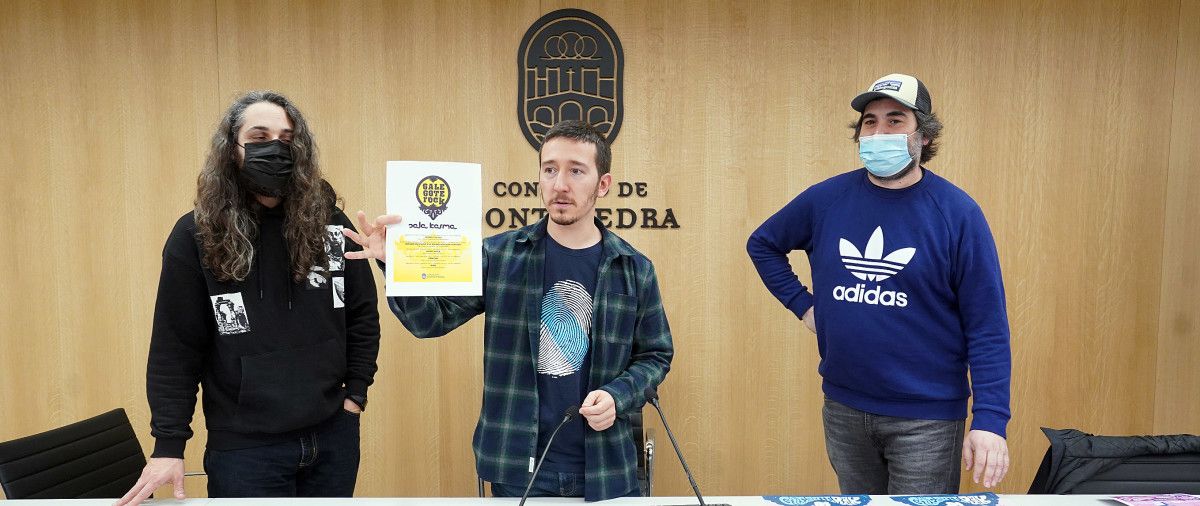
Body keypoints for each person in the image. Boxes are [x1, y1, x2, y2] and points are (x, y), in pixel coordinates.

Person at [344, 120, 672, 501]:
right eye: (549, 169)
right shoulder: (497, 257)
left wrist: (618, 396)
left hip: (606, 468)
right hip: (519, 469)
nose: (559, 184)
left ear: (603, 184)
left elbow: (655, 354)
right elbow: (429, 321)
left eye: (576, 171)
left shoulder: (634, 268)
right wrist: (394, 264)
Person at [747, 73, 1012, 493]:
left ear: (923, 135)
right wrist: (805, 306)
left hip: (927, 420)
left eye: (895, 120)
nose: (878, 131)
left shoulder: (958, 214)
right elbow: (763, 244)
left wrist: (991, 421)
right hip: (844, 407)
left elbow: (988, 327)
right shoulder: (826, 199)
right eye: (870, 122)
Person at [117, 91, 380, 505]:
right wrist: (169, 445)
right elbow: (175, 348)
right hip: (245, 451)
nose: (275, 148)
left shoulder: (329, 224)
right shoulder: (196, 237)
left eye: (287, 138)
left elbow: (362, 313)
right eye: (259, 137)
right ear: (232, 149)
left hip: (332, 438)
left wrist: (356, 395)